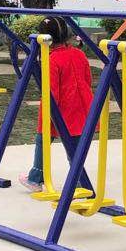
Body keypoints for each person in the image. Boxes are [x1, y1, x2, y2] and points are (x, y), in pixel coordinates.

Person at [20, 16, 94, 192]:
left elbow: (51, 90)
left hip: (59, 107)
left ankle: (36, 178)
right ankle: (79, 181)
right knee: (74, 146)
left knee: (43, 140)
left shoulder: (51, 59)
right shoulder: (79, 54)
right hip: (81, 106)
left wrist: (49, 112)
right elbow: (88, 79)